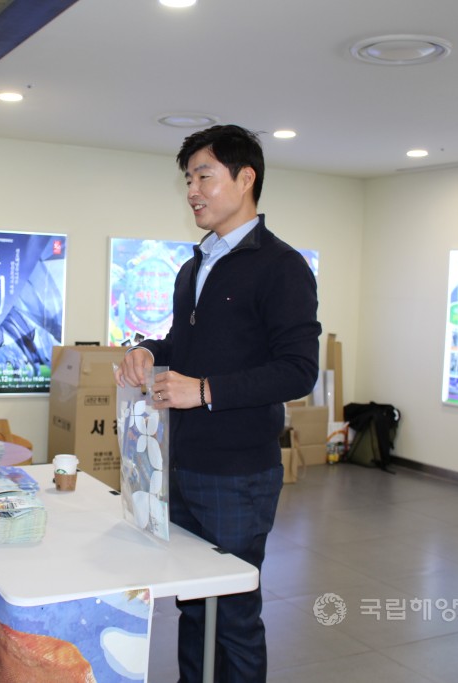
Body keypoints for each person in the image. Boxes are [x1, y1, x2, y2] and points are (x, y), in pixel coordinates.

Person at [114, 125, 321, 682]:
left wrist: (204, 390)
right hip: (180, 464)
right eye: (188, 179)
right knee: (191, 602)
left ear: (245, 178)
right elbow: (186, 345)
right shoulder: (194, 267)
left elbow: (299, 370)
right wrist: (146, 351)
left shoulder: (282, 267)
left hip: (238, 474)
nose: (192, 190)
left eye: (204, 175)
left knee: (232, 611)